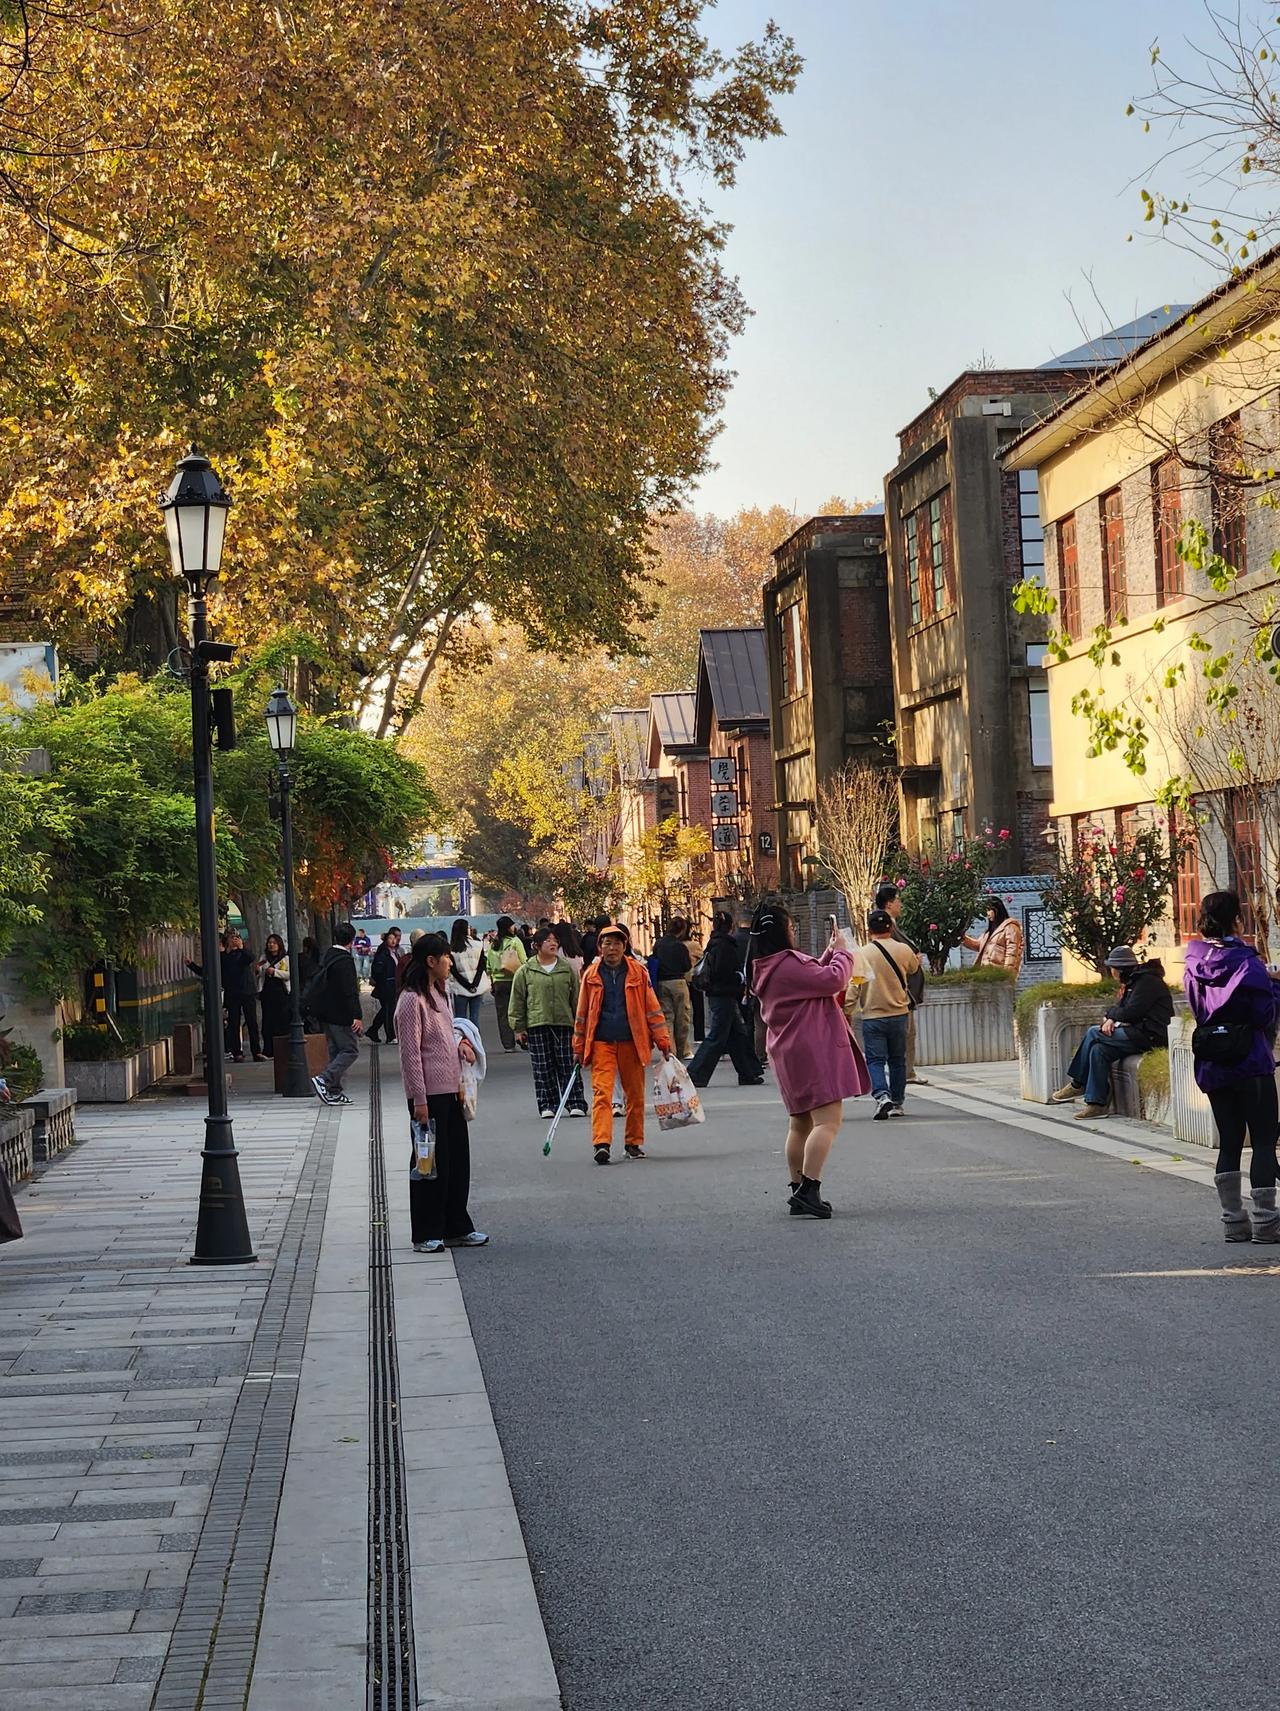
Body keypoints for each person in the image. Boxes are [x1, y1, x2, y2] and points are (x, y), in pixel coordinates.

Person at [748, 902, 869, 1219]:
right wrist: (842, 953)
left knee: (800, 1123)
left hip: (788, 1051)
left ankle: (797, 1186)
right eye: (790, 927)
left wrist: (829, 954)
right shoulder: (786, 964)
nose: (793, 932)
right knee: (828, 1121)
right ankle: (809, 1189)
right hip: (811, 1049)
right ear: (780, 933)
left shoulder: (767, 966)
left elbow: (812, 977)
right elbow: (833, 981)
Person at [1184, 891, 1280, 1242]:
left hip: (1213, 1058)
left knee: (1229, 1142)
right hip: (1250, 1057)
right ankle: (1267, 1222)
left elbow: (1196, 1005)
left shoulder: (1193, 960)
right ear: (1236, 921)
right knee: (1264, 1141)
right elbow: (1264, 1014)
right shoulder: (1247, 962)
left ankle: (1233, 1221)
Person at [395, 932, 487, 1253]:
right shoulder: (411, 1000)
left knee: (457, 1163)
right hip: (428, 1096)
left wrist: (461, 1059)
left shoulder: (441, 994)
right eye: (446, 956)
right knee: (429, 1165)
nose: (450, 961)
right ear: (430, 961)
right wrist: (419, 1100)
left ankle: (456, 1227)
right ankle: (426, 1232)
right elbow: (410, 1055)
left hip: (450, 1091)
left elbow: (448, 1037)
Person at [573, 921, 672, 1164]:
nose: (612, 948)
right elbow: (582, 1013)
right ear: (600, 947)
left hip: (632, 1041)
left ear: (624, 946)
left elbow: (652, 1009)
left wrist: (662, 1039)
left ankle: (633, 1143)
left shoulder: (638, 973)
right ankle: (601, 1143)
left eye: (617, 943)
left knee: (635, 1095)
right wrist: (578, 1046)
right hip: (602, 1042)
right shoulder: (591, 976)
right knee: (602, 1093)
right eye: (607, 943)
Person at [1052, 945, 1174, 1118]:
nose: (1111, 972)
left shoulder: (1147, 982)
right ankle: (1097, 1104)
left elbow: (1131, 1012)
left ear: (1120, 969)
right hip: (1137, 1032)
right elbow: (1121, 1008)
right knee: (1098, 1050)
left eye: (1112, 968)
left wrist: (1110, 1015)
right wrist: (1111, 1017)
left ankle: (1078, 1083)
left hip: (1151, 1036)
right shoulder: (1134, 982)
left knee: (1094, 1033)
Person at [509, 927, 588, 1118]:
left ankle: (575, 1102)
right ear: (537, 945)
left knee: (568, 1064)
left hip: (564, 1023)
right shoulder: (526, 971)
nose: (553, 944)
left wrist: (581, 1026)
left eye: (555, 940)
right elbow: (517, 1000)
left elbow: (576, 999)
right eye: (548, 941)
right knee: (543, 1067)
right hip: (537, 1024)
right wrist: (518, 1028)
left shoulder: (566, 969)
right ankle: (548, 1104)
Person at [857, 909, 923, 1119]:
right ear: (891, 927)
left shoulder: (862, 954)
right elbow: (914, 968)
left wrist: (846, 1010)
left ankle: (881, 1095)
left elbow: (854, 985)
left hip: (872, 1016)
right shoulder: (903, 950)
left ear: (869, 930)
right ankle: (897, 1102)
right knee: (897, 1060)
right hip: (899, 1014)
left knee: (875, 1060)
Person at [687, 910, 764, 1087]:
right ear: (730, 926)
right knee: (717, 1036)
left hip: (720, 994)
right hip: (724, 994)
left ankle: (748, 1072)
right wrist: (738, 977)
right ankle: (695, 1073)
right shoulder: (725, 946)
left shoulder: (714, 943)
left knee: (738, 1035)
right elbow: (722, 972)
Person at [873, 883, 927, 1086]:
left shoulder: (891, 926)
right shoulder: (888, 929)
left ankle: (906, 1073)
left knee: (906, 1034)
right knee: (904, 1035)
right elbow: (898, 954)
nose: (900, 904)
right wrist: (912, 959)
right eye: (898, 900)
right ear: (889, 903)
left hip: (900, 992)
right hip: (899, 991)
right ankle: (905, 1075)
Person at [308, 923, 363, 1105]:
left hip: (325, 1013)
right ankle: (324, 1079)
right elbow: (350, 991)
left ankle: (334, 1091)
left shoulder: (327, 956)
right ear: (351, 940)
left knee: (335, 1050)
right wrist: (356, 1016)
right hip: (341, 1014)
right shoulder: (344, 960)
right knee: (350, 1050)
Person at [652, 916, 694, 1058]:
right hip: (678, 982)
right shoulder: (680, 946)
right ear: (682, 930)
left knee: (667, 1017)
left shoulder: (659, 944)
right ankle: (683, 1050)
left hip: (662, 982)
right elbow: (687, 966)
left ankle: (670, 1051)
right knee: (682, 1018)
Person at [221, 929, 266, 1063]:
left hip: (247, 991)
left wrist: (241, 947)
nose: (234, 940)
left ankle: (256, 1051)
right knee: (234, 1023)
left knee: (252, 1022)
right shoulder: (223, 956)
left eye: (236, 937)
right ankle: (237, 1052)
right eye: (231, 938)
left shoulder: (243, 953)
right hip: (232, 992)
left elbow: (250, 958)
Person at [486, 916, 527, 1051]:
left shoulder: (494, 944)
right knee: (520, 1011)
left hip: (498, 983)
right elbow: (524, 962)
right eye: (512, 925)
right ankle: (522, 1038)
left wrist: (493, 980)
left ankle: (508, 1045)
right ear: (508, 927)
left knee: (503, 1014)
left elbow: (489, 966)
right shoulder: (515, 942)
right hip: (515, 981)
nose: (514, 928)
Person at [962, 897, 1024, 981]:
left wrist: (1006, 976)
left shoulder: (1011, 928)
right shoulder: (990, 932)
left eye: (989, 910)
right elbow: (979, 945)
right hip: (985, 974)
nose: (987, 914)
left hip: (999, 975)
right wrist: (962, 938)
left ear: (997, 910)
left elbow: (1012, 954)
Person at [446, 918, 490, 1025]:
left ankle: (462, 1036)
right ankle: (475, 1036)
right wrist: (474, 984)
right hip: (477, 987)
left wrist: (467, 985)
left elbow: (454, 971)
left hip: (459, 988)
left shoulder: (451, 949)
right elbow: (482, 966)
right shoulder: (478, 945)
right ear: (466, 930)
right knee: (475, 1017)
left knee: (460, 1019)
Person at [257, 933, 291, 1056]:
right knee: (267, 1022)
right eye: (269, 943)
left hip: (281, 993)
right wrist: (258, 970)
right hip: (267, 993)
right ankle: (268, 1049)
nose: (271, 945)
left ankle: (282, 1050)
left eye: (274, 943)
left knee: (281, 1021)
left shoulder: (285, 959)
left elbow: (289, 974)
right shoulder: (264, 958)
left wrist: (275, 972)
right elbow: (260, 973)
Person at [367, 928, 403, 1043]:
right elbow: (378, 970)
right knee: (388, 1011)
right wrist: (383, 980)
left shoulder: (395, 952)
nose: (394, 941)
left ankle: (373, 1030)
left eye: (395, 938)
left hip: (393, 985)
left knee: (387, 1010)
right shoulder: (383, 953)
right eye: (391, 938)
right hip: (386, 985)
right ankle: (390, 1035)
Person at [684, 917, 707, 1042]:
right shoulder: (694, 945)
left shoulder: (676, 945)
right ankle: (699, 1036)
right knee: (698, 1009)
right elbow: (702, 959)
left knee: (683, 1011)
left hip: (681, 979)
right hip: (693, 979)